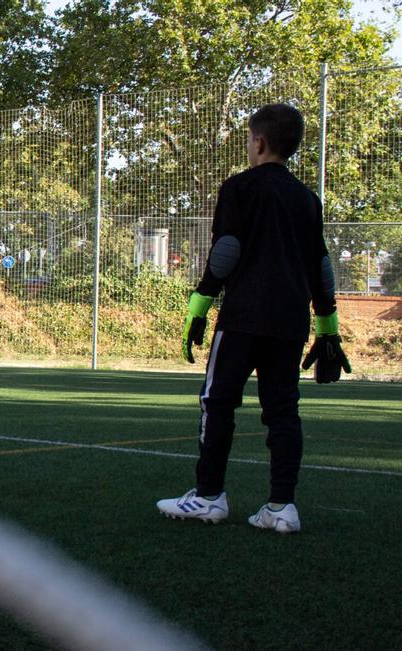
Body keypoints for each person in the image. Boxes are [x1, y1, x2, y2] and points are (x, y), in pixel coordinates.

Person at [158, 104, 351, 534]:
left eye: (248, 140)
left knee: (218, 401)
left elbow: (227, 250)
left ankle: (209, 496)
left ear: (259, 142)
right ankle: (281, 507)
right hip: (290, 320)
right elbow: (320, 264)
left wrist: (198, 308)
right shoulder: (307, 198)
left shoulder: (240, 188)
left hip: (244, 315)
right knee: (283, 410)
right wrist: (327, 327)